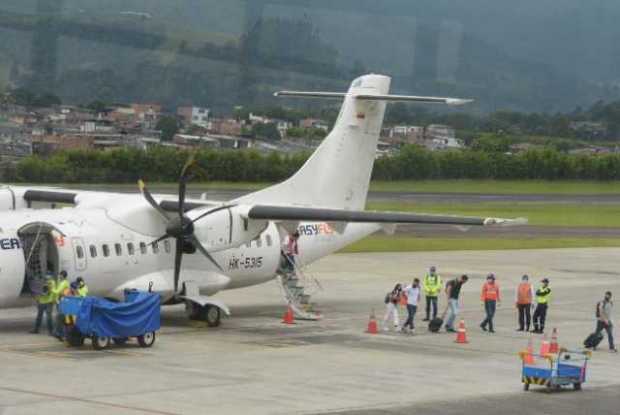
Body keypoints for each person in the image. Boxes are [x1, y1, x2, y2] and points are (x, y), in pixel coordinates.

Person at [52, 270, 70, 340]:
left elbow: (57, 291)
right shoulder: (63, 282)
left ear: (63, 276)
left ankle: (61, 334)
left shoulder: (64, 283)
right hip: (60, 302)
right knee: (60, 319)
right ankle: (60, 334)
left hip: (62, 303)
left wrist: (51, 289)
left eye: (60, 275)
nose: (59, 276)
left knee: (60, 319)